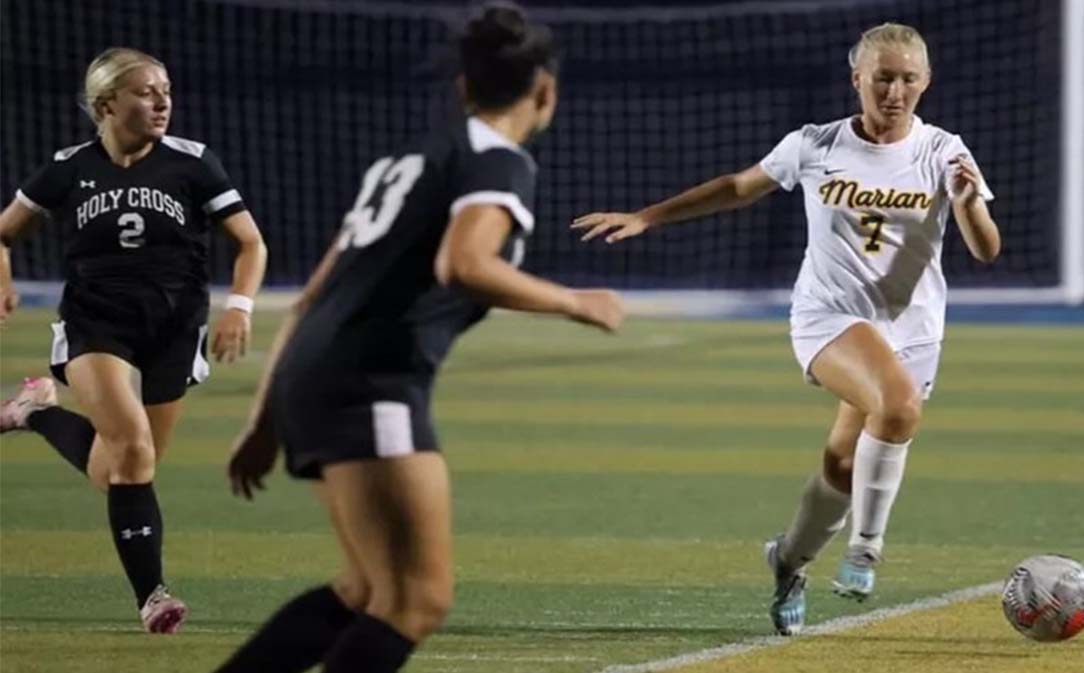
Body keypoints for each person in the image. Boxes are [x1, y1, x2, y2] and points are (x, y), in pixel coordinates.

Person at [214, 4, 623, 671]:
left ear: (463, 87)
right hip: (369, 383)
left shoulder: (409, 159)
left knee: (364, 589)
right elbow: (464, 264)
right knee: (416, 599)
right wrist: (577, 302)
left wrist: (265, 418)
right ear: (545, 90)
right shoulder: (499, 162)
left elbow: (312, 295)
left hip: (314, 372)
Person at [573, 22, 1000, 635]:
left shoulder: (944, 152)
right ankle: (867, 549)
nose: (895, 91)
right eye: (883, 77)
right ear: (856, 79)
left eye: (908, 78)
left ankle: (788, 562)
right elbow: (737, 188)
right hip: (828, 318)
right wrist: (649, 217)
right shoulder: (815, 145)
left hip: (913, 333)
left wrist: (966, 206)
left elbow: (986, 250)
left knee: (844, 462)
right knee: (899, 406)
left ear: (926, 81)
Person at [0, 47, 268, 633]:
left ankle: (35, 412)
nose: (162, 100)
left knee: (116, 469)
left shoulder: (193, 163)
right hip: (96, 324)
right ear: (106, 104)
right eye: (146, 91)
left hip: (174, 327)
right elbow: (2, 233)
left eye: (165, 89)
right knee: (135, 453)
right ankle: (153, 596)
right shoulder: (69, 167)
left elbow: (251, 243)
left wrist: (239, 308)